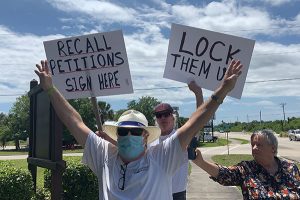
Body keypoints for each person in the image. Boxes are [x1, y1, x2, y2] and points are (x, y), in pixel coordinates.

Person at [34, 59, 243, 199]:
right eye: (123, 131)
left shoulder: (161, 156)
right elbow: (74, 122)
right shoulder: (104, 156)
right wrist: (51, 89)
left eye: (135, 131)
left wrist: (221, 91)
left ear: (145, 135)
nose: (128, 135)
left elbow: (194, 124)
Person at [192, 129, 300, 199]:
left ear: (272, 148)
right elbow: (224, 174)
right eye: (252, 145)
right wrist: (201, 162)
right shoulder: (247, 169)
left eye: (259, 145)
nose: (254, 148)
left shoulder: (291, 168)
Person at [150, 81, 203, 200]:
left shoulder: (181, 137)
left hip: (177, 194)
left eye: (166, 114)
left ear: (173, 118)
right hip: (155, 193)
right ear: (156, 120)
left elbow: (198, 121)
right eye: (159, 115)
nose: (163, 118)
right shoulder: (150, 140)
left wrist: (198, 94)